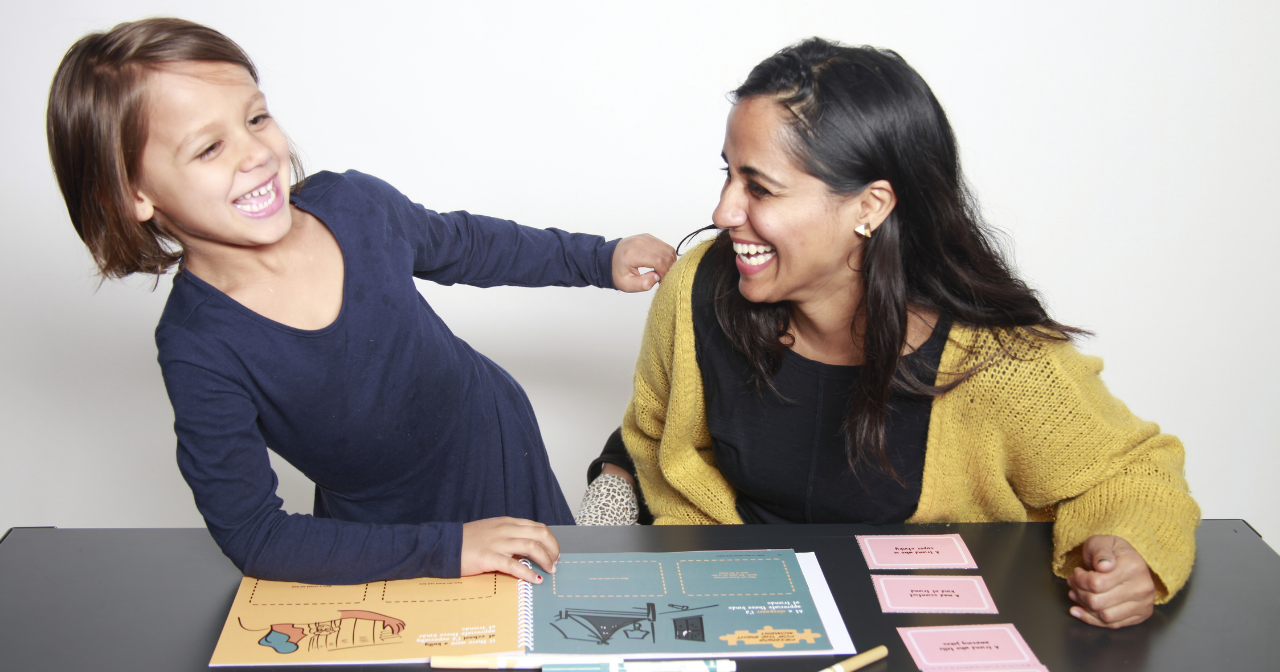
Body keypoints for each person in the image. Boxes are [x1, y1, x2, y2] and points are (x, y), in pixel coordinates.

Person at [585, 38, 1199, 629]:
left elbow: (1130, 472)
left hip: (917, 633)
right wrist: (593, 534)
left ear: (870, 207)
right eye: (728, 175)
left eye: (760, 187)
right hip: (739, 616)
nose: (723, 211)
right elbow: (651, 438)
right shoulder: (696, 286)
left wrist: (1132, 554)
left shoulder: (995, 357)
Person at [45, 18, 676, 586]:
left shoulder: (353, 204)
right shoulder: (198, 346)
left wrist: (596, 258)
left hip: (498, 447)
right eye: (209, 148)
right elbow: (255, 534)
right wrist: (448, 548)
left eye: (256, 117)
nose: (257, 153)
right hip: (384, 535)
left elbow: (467, 243)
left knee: (554, 627)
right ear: (133, 195)